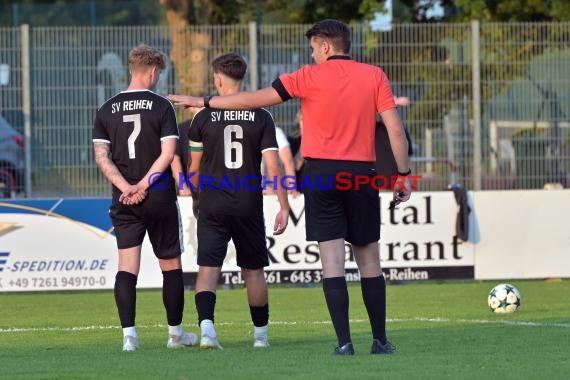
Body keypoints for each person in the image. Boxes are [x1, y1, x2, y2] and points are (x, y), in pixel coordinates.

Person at [169, 19, 412, 356]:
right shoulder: (374, 76)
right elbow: (395, 131)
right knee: (369, 260)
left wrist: (204, 102)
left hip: (322, 173)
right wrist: (403, 174)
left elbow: (252, 100)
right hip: (361, 173)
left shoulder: (306, 77)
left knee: (332, 262)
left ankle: (344, 343)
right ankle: (380, 340)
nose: (311, 53)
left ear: (326, 46)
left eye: (314, 47)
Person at [92, 44, 197, 352]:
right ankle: (175, 334)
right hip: (158, 196)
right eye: (158, 74)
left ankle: (129, 338)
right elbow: (168, 154)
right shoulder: (162, 106)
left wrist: (127, 187)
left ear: (131, 69)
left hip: (123, 199)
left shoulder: (105, 108)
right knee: (171, 265)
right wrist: (144, 185)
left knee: (127, 267)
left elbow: (102, 157)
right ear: (153, 72)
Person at [186, 53, 290, 349]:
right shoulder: (260, 114)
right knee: (253, 270)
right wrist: (283, 206)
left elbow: (193, 170)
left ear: (217, 79)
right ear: (240, 79)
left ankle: (207, 332)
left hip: (213, 202)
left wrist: (195, 197)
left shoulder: (202, 116)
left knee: (208, 268)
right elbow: (274, 167)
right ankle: (260, 338)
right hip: (247, 203)